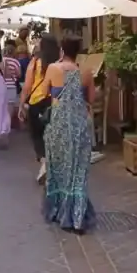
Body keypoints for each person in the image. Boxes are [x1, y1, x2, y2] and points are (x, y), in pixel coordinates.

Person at [42, 36, 97, 233]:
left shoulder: (53, 68)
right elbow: (91, 99)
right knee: (78, 170)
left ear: (62, 50)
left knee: (58, 167)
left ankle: (58, 210)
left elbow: (44, 91)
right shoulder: (86, 72)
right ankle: (77, 216)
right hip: (79, 126)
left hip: (59, 126)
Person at [19, 33, 59, 183]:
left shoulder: (36, 62)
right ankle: (51, 164)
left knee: (37, 134)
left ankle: (44, 162)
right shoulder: (59, 62)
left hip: (37, 102)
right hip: (54, 102)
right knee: (53, 135)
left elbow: (27, 85)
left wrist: (21, 104)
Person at [2, 40, 22, 118]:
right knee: (10, 107)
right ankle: (8, 122)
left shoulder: (0, 61)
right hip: (11, 87)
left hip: (0, 86)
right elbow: (19, 74)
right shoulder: (16, 62)